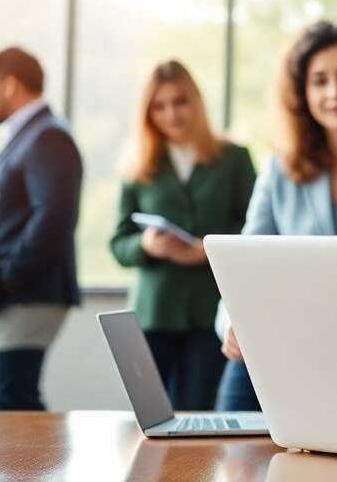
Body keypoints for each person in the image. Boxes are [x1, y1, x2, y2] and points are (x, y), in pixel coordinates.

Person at [215, 21, 337, 412]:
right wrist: (230, 322)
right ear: (302, 94)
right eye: (319, 81)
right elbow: (242, 262)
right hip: (285, 350)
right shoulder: (282, 171)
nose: (334, 92)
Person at [109, 61, 256, 411]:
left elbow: (257, 228)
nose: (171, 114)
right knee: (149, 418)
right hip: (154, 311)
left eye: (180, 102)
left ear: (196, 102)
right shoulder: (138, 165)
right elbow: (119, 243)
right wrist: (145, 245)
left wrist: (206, 249)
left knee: (199, 414)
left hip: (209, 311)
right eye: (159, 106)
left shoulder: (233, 159)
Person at [0, 46, 82, 411]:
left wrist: (3, 280)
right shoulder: (31, 134)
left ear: (11, 84)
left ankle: (31, 472)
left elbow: (53, 219)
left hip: (26, 293)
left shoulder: (48, 137)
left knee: (12, 404)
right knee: (14, 403)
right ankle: (30, 471)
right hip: (18, 294)